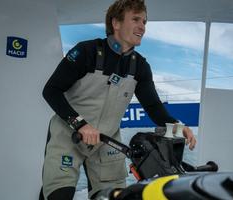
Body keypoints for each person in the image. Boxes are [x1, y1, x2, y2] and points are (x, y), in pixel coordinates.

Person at [40, 0, 196, 199]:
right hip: (68, 135)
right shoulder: (85, 52)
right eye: (136, 19)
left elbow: (154, 107)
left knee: (115, 196)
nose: (142, 27)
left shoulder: (140, 66)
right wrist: (80, 125)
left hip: (108, 142)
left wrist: (178, 127)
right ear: (116, 23)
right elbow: (51, 90)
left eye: (145, 22)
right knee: (57, 194)